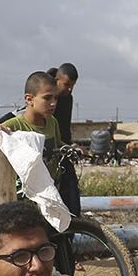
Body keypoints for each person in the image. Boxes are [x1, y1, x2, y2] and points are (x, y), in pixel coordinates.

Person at [0, 70, 77, 276]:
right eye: (47, 98)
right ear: (29, 99)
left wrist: (70, 148)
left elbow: (58, 144)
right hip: (25, 199)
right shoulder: (16, 124)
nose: (53, 103)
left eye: (55, 98)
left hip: (49, 193)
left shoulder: (52, 123)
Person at [52, 63, 83, 217]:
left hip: (61, 150)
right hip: (44, 151)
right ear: (56, 80)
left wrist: (70, 146)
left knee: (71, 195)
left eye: (72, 86)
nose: (70, 89)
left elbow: (64, 128)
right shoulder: (42, 91)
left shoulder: (67, 99)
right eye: (66, 85)